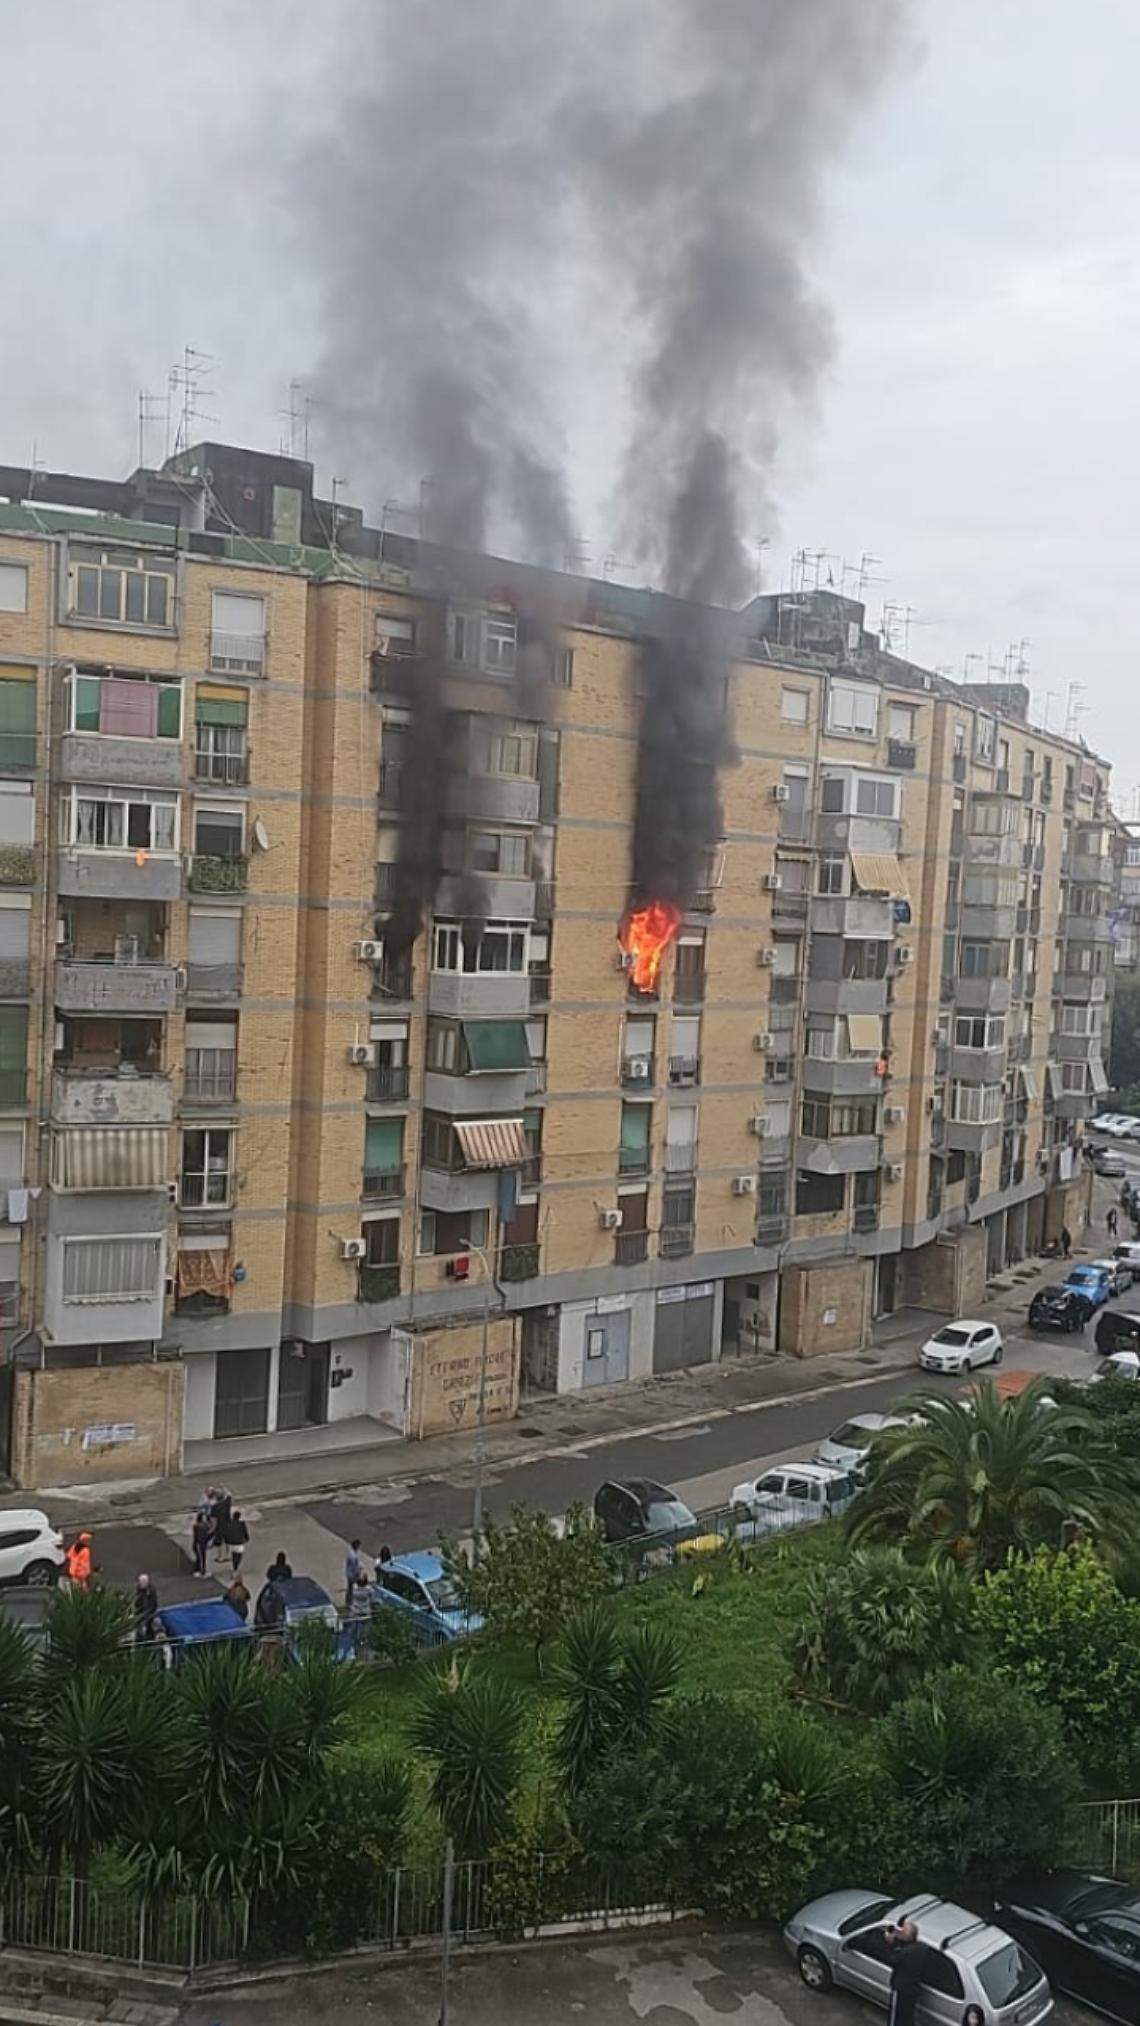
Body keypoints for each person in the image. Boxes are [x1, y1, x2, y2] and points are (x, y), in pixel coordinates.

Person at [885, 1918, 941, 2026]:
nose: (899, 1932)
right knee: (908, 2017)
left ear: (906, 1936)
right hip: (912, 1989)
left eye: (902, 1931)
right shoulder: (922, 1949)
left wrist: (889, 1943)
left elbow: (890, 1959)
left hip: (901, 1989)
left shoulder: (905, 1953)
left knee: (896, 2017)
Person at [210, 1485, 233, 1566]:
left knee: (219, 1543)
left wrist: (212, 1529)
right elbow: (230, 1494)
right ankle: (228, 1555)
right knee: (228, 1541)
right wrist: (224, 1488)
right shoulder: (226, 1503)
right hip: (227, 1524)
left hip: (219, 1526)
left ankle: (220, 1557)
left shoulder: (214, 1507)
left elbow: (214, 1520)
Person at [134, 1572, 159, 1642]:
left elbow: (153, 1604)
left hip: (149, 1614)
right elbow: (138, 1601)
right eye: (140, 1582)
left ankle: (150, 1638)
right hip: (141, 1613)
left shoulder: (151, 1590)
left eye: (142, 1582)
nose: (140, 1584)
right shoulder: (139, 1588)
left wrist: (147, 1614)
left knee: (150, 1626)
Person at [225, 1507, 250, 1574]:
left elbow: (226, 1532)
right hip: (239, 1542)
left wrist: (226, 1541)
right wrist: (247, 1538)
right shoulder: (241, 1524)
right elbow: (245, 1532)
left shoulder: (229, 1524)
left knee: (234, 1554)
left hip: (231, 1542)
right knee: (239, 1555)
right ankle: (236, 1567)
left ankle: (234, 1566)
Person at [345, 1538, 367, 1611]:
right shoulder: (353, 1556)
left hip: (349, 1573)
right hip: (352, 1574)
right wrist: (359, 1573)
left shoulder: (351, 1552)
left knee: (350, 1588)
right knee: (352, 1589)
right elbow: (355, 1567)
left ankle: (348, 1601)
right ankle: (350, 1603)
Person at [191, 1507, 212, 1578]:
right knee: (202, 1558)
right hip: (201, 1544)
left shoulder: (196, 1526)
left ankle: (199, 1570)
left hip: (198, 1544)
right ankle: (201, 1571)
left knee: (200, 1558)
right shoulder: (204, 1526)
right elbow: (210, 1527)